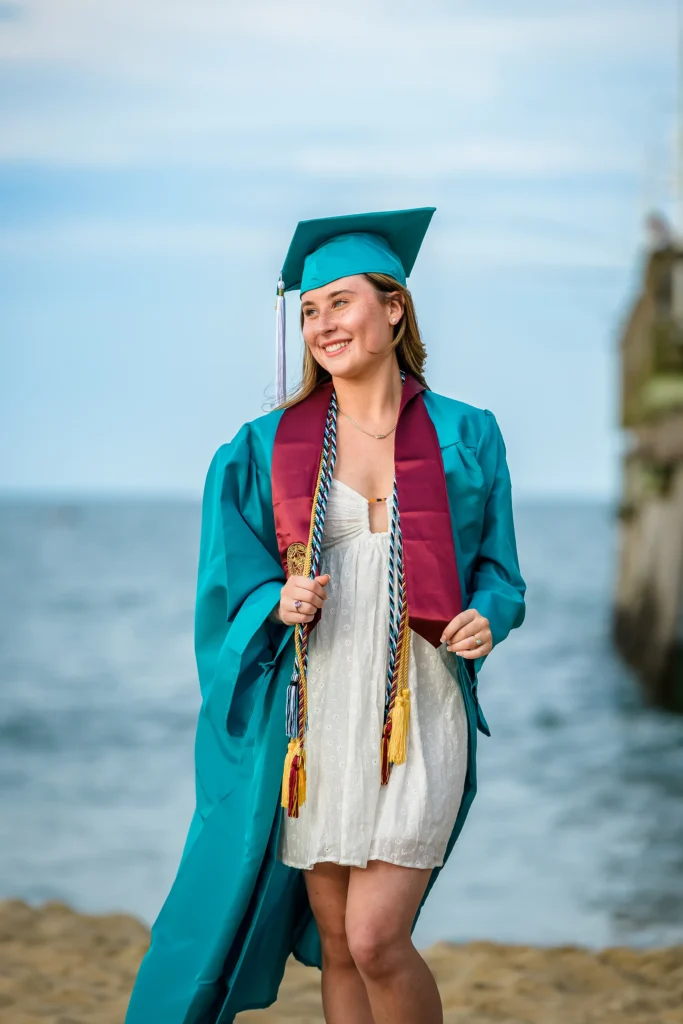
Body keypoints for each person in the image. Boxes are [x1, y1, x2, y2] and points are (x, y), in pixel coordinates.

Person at [125, 207, 527, 1024]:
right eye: (309, 310)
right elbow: (226, 587)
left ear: (394, 307)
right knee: (338, 943)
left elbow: (501, 574)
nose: (322, 324)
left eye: (340, 302)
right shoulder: (263, 447)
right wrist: (275, 601)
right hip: (315, 721)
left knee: (377, 937)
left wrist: (489, 614)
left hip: (420, 712)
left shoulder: (468, 435)